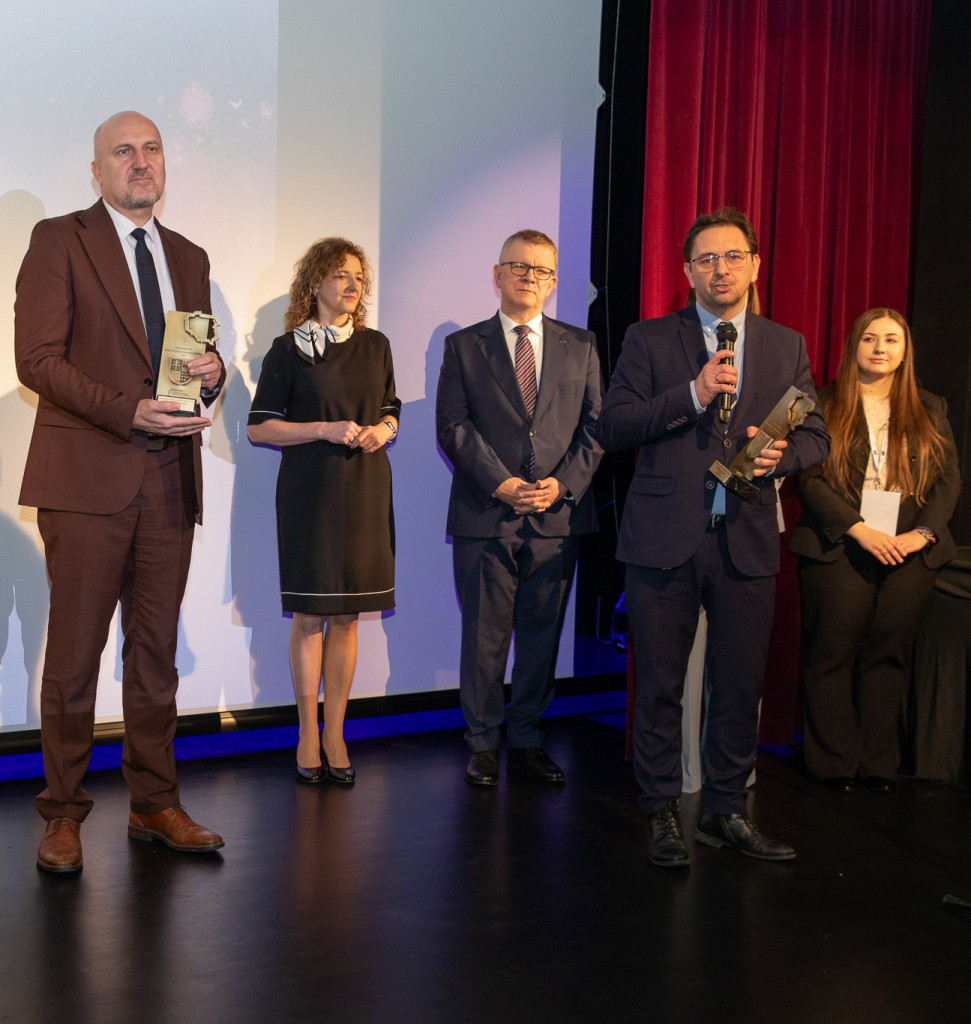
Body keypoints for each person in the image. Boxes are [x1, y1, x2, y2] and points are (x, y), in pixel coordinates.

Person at [15, 111, 226, 873]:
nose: (141, 162)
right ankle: (63, 813)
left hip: (170, 480)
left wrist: (213, 374)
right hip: (86, 482)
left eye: (152, 149)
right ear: (97, 170)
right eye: (124, 151)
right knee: (74, 659)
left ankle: (154, 803)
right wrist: (124, 410)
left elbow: (189, 364)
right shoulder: (58, 240)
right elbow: (37, 360)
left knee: (156, 657)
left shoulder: (189, 256)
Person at [596, 207, 829, 867]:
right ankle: (661, 809)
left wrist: (779, 457)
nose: (719, 269)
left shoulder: (785, 344)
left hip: (746, 540)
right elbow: (613, 425)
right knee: (659, 686)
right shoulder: (649, 339)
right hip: (663, 540)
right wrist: (692, 396)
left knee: (738, 685)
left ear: (754, 265)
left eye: (732, 257)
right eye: (706, 259)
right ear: (687, 271)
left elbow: (814, 434)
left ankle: (727, 810)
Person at [436, 229, 602, 786]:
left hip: (557, 517)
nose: (530, 277)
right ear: (498, 274)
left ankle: (528, 738)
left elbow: (596, 426)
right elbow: (453, 426)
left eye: (541, 270)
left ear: (553, 283)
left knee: (541, 636)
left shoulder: (582, 344)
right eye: (519, 266)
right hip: (487, 516)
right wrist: (502, 484)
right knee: (484, 638)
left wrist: (563, 485)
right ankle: (483, 743)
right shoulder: (464, 346)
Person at [248, 238, 399, 785]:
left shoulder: (376, 345)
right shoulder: (287, 350)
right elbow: (259, 427)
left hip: (365, 489)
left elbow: (391, 407)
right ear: (315, 284)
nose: (353, 284)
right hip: (310, 494)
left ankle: (335, 731)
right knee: (310, 616)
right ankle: (307, 733)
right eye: (340, 275)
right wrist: (323, 429)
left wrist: (384, 430)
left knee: (347, 616)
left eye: (359, 276)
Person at [790, 308, 959, 793]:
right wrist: (857, 529)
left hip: (910, 547)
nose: (880, 347)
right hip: (840, 542)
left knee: (889, 654)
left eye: (891, 339)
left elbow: (949, 480)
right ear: (853, 346)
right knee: (832, 653)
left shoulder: (931, 406)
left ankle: (877, 764)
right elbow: (808, 477)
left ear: (905, 352)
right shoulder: (816, 401)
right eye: (870, 338)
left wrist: (923, 533)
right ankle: (833, 764)